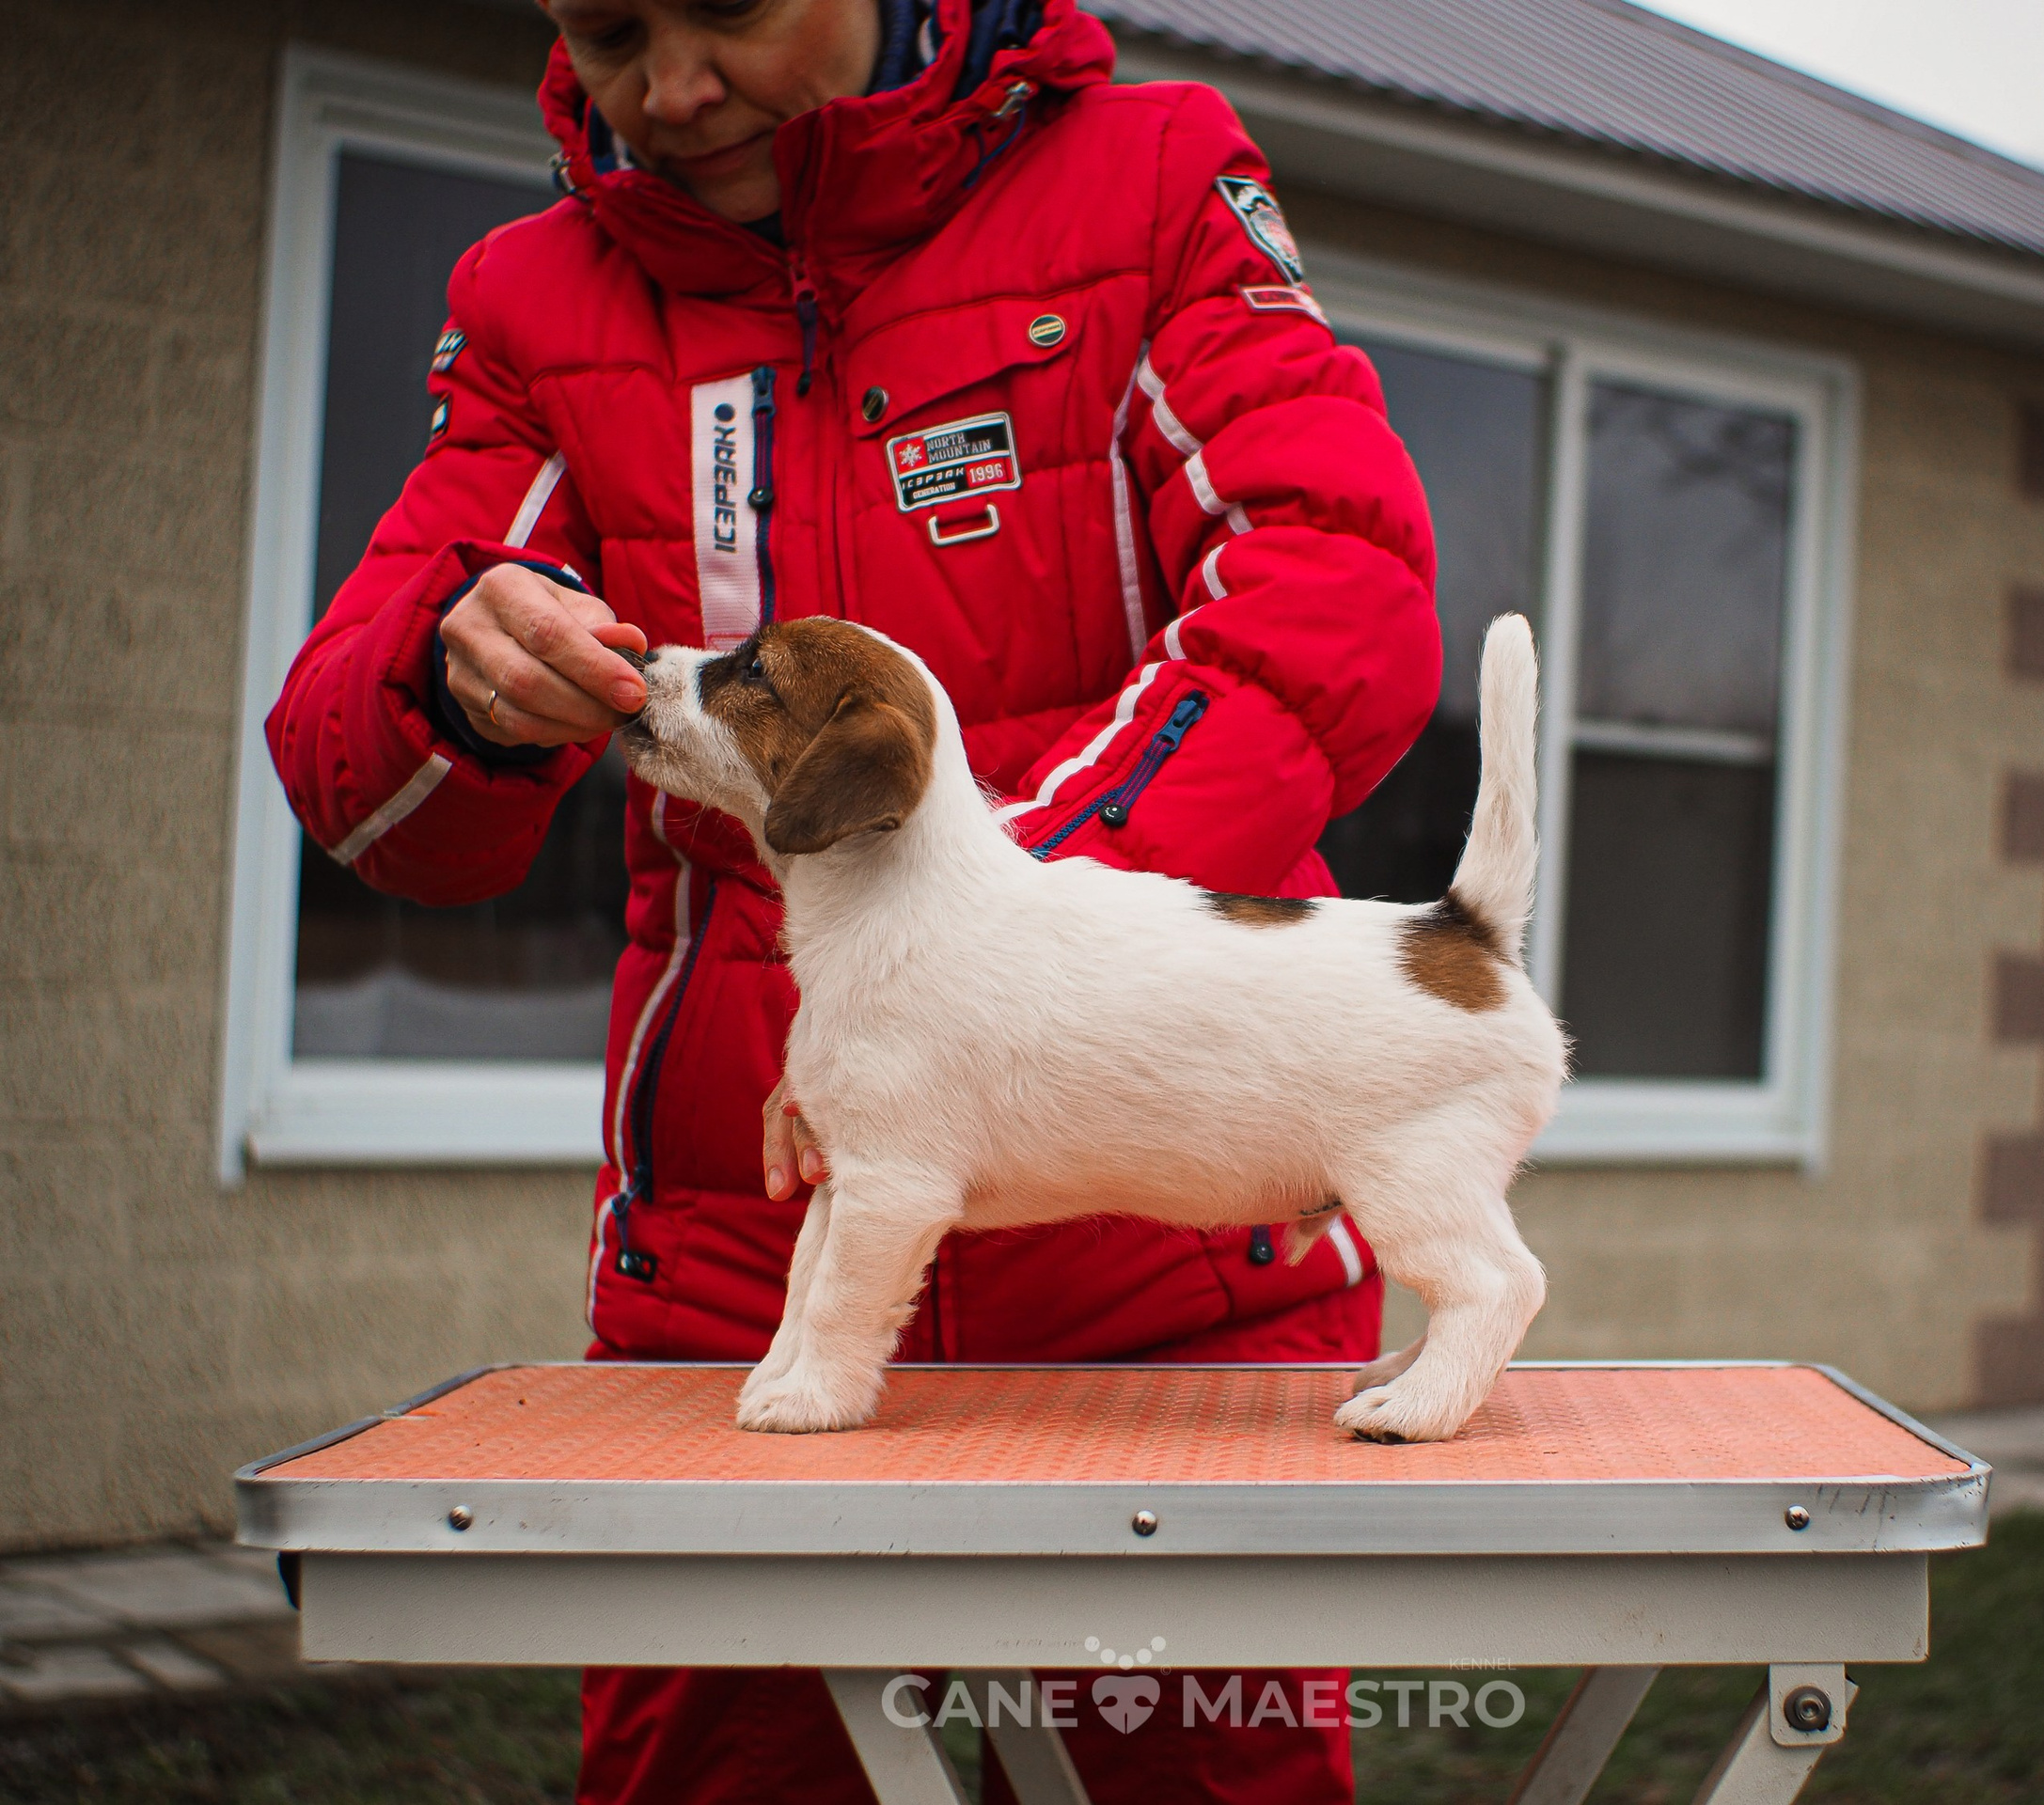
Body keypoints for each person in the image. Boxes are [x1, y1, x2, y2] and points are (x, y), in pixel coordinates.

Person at [266, 0, 1440, 1798]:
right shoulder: (528, 301)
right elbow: (368, 799)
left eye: (731, 6)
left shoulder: (1151, 180)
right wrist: (454, 677)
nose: (671, 90)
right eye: (606, 29)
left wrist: (983, 972)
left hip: (1179, 1251)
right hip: (744, 1264)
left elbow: (1328, 592)